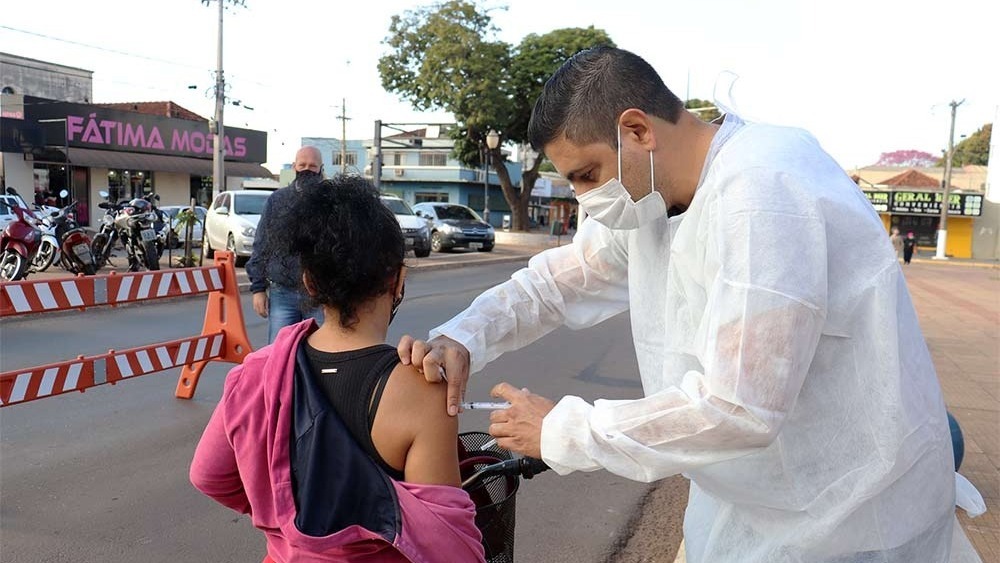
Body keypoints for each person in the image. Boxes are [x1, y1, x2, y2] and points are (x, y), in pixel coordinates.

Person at [398, 46, 972, 562]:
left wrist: (567, 429)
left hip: (849, 518)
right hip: (745, 506)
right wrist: (464, 335)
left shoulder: (762, 193)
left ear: (638, 130)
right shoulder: (652, 200)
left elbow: (739, 406)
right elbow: (559, 281)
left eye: (587, 174)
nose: (585, 199)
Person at [190, 177, 485, 562]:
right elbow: (448, 549)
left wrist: (282, 511)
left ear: (309, 283)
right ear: (397, 281)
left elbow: (208, 476)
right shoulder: (421, 389)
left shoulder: (256, 375)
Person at [246, 146, 326, 343]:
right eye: (303, 165)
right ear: (294, 167)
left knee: (321, 356)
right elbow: (262, 244)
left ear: (321, 168)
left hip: (320, 296)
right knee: (278, 356)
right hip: (283, 293)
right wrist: (258, 289)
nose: (307, 169)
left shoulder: (330, 202)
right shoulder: (278, 201)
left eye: (312, 166)